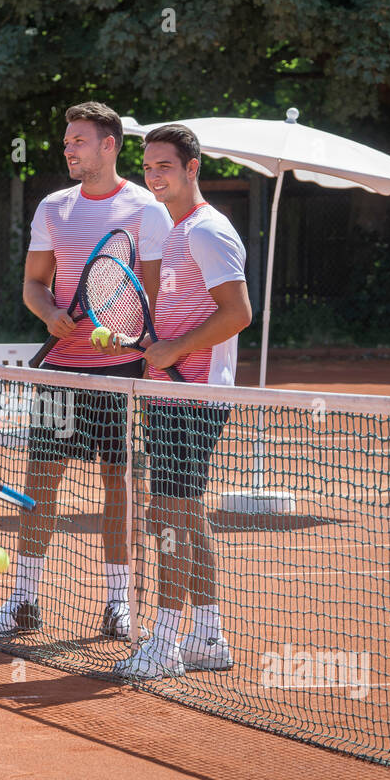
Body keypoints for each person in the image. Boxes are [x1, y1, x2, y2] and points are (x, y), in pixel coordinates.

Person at [0, 101, 172, 641]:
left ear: (109, 145)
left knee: (121, 485)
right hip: (60, 374)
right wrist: (51, 315)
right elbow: (34, 284)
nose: (68, 148)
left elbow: (148, 295)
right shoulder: (53, 208)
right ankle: (22, 601)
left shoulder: (146, 209)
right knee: (40, 484)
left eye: (79, 141)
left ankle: (117, 605)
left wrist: (119, 323)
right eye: (66, 141)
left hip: (123, 372)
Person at [112, 123, 252, 680]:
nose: (153, 175)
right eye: (147, 167)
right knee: (186, 514)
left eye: (164, 165)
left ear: (192, 168)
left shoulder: (207, 231)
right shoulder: (175, 231)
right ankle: (209, 637)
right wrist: (149, 343)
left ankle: (165, 643)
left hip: (193, 399)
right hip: (169, 393)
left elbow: (238, 313)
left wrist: (173, 349)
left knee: (166, 514)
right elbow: (183, 316)